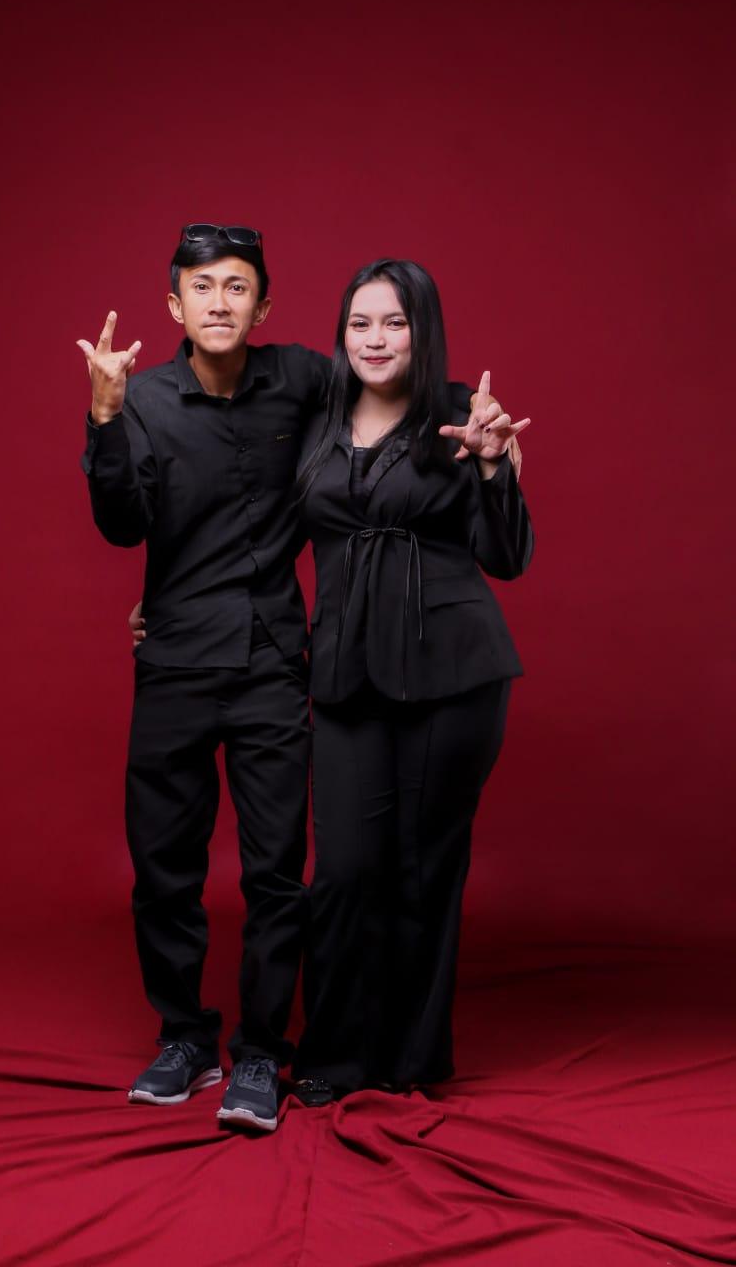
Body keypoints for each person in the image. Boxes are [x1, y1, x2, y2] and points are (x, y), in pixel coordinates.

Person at [77, 225, 329, 1132]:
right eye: (201, 287)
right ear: (173, 305)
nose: (218, 302)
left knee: (275, 872)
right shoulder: (140, 397)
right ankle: (185, 1037)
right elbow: (121, 526)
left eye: (236, 287)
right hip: (175, 660)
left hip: (270, 661)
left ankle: (261, 1050)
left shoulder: (302, 378)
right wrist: (104, 417)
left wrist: (472, 418)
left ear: (261, 305)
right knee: (163, 869)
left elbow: (390, 388)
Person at [288, 259, 534, 1102]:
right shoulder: (316, 421)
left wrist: (494, 467)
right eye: (360, 322)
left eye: (394, 322)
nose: (375, 339)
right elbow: (260, 535)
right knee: (345, 868)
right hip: (346, 670)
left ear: (421, 332)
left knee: (423, 869)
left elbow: (507, 557)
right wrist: (175, 602)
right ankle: (334, 1056)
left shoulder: (463, 415)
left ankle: (412, 1059)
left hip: (452, 673)